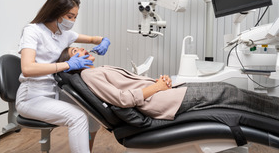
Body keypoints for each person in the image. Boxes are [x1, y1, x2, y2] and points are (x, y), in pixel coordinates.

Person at [57, 46, 279, 121]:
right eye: (76, 52)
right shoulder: (89, 76)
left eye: (80, 47)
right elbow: (123, 99)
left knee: (229, 91)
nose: (83, 50)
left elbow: (130, 87)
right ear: (72, 63)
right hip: (160, 101)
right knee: (230, 93)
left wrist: (158, 81)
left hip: (163, 95)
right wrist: (158, 87)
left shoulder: (98, 70)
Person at [16, 0, 111, 153]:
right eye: (69, 16)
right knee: (78, 116)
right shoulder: (33, 31)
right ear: (56, 12)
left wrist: (104, 41)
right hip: (32, 97)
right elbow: (28, 68)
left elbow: (94, 39)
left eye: (75, 16)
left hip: (55, 93)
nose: (73, 20)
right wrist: (67, 65)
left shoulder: (63, 34)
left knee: (94, 111)